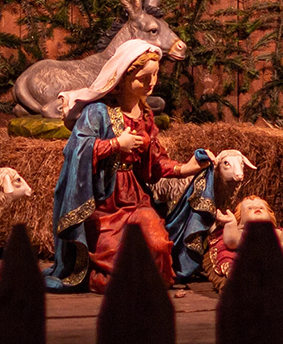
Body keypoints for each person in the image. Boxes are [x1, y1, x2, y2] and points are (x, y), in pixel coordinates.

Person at [44, 39, 207, 293]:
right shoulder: (98, 112)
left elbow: (154, 163)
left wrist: (186, 168)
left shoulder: (145, 116)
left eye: (155, 75)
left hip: (135, 200)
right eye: (144, 78)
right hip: (102, 204)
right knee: (118, 260)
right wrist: (116, 144)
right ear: (122, 78)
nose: (151, 83)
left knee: (159, 246)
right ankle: (98, 278)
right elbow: (77, 150)